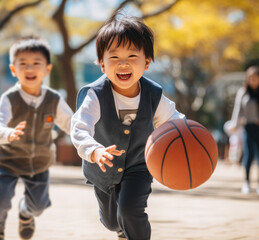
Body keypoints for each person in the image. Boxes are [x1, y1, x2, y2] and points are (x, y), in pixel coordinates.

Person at [71, 15, 184, 240]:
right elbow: (79, 128)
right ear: (102, 64)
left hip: (138, 166)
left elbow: (176, 122)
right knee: (113, 222)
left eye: (132, 56)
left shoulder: (153, 95)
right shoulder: (95, 95)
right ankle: (121, 229)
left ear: (147, 62)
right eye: (114, 57)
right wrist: (95, 150)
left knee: (131, 211)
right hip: (103, 169)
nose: (123, 63)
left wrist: (189, 136)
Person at [0, 36, 73, 240]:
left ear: (47, 69)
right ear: (13, 69)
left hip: (39, 164)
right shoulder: (10, 99)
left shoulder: (54, 100)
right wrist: (8, 133)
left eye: (36, 63)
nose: (30, 69)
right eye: (23, 64)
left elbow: (73, 124)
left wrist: (92, 141)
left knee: (39, 205)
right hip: (7, 161)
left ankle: (26, 214)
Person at [231, 65, 259, 195]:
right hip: (247, 128)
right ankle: (246, 182)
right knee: (248, 156)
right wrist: (235, 123)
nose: (253, 80)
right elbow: (237, 109)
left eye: (255, 78)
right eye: (250, 78)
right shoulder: (242, 92)